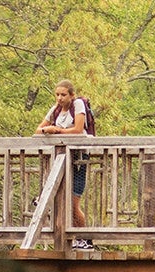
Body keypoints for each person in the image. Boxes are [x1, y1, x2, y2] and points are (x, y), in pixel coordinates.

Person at [37, 79, 94, 250]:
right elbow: (38, 130)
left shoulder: (78, 105)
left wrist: (57, 130)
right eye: (57, 95)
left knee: (73, 203)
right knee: (61, 198)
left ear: (71, 95)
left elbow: (77, 129)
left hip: (78, 159)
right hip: (60, 160)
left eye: (63, 94)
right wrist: (48, 129)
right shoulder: (55, 111)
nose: (60, 98)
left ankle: (85, 239)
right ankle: (43, 200)